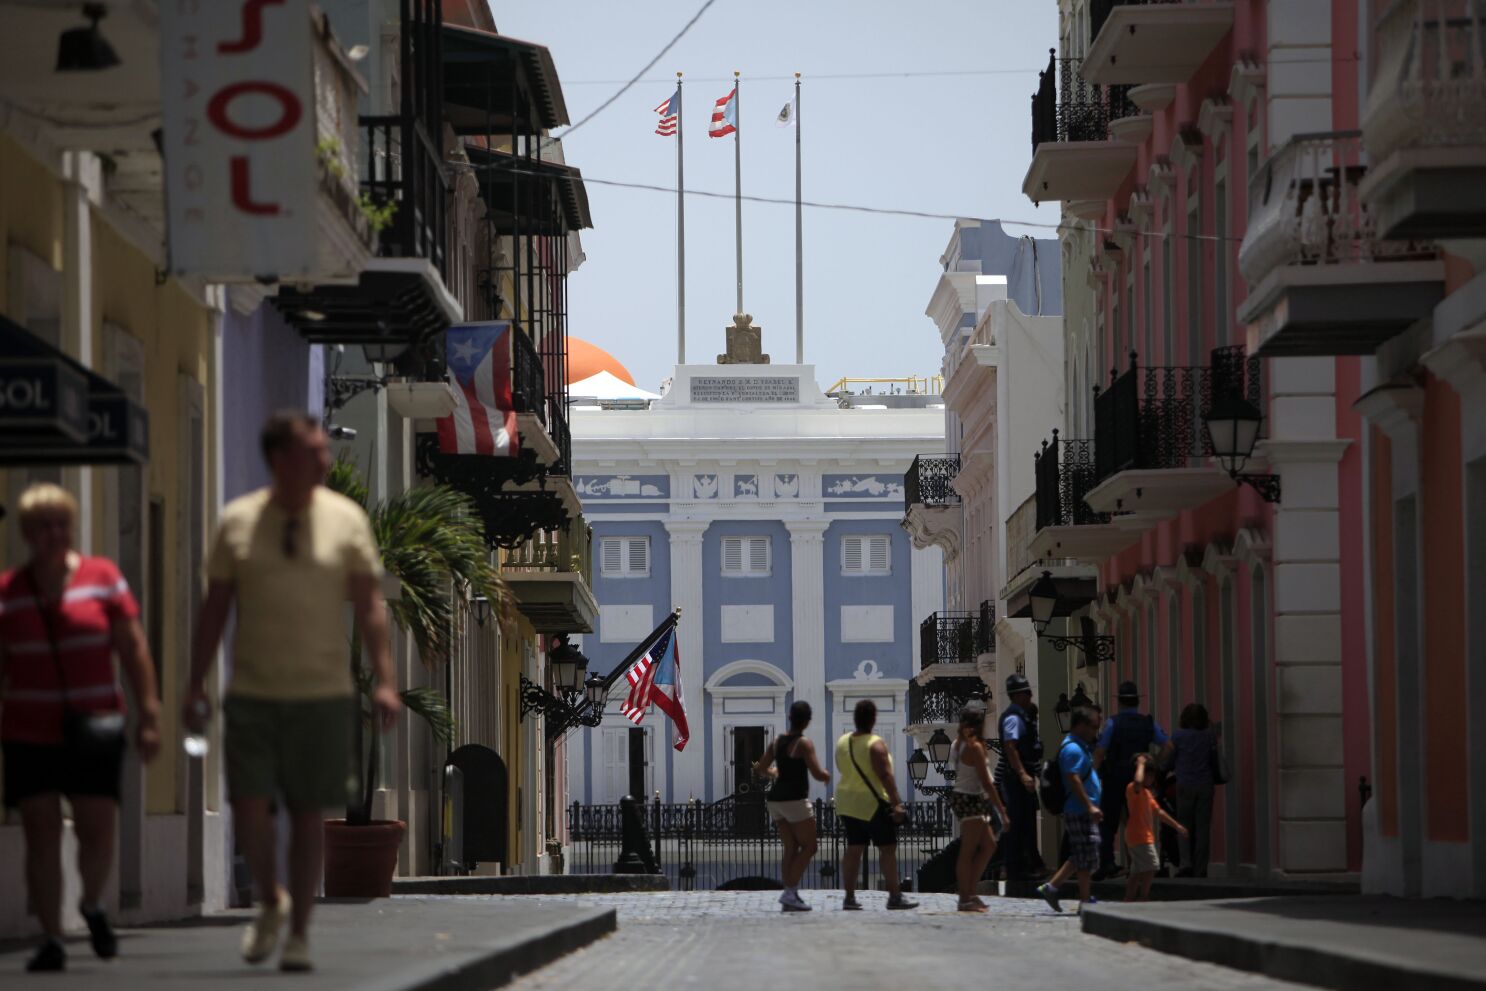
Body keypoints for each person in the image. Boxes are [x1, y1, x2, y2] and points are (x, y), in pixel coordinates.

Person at [183, 411, 401, 972]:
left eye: (325, 451)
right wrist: (193, 683)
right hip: (253, 690)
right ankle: (271, 896)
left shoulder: (346, 520)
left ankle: (299, 930)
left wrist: (385, 680)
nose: (326, 460)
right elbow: (215, 610)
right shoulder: (238, 522)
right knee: (248, 806)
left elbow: (371, 605)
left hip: (322, 694)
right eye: (314, 450)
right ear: (281, 459)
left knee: (308, 816)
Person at [0, 483, 161, 972]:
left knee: (97, 831)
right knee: (41, 832)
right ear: (25, 533)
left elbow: (133, 649)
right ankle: (51, 935)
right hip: (28, 730)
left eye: (60, 523)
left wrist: (149, 712)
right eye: (41, 526)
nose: (53, 534)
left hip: (93, 726)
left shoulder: (102, 578)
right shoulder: (9, 591)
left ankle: (90, 904)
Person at [835, 699, 917, 911]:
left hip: (847, 801)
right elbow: (885, 775)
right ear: (873, 719)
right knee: (888, 849)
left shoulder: (843, 742)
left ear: (855, 719)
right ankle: (894, 897)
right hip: (871, 803)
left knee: (854, 849)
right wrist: (897, 804)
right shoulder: (876, 744)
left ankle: (849, 898)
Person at [754, 700, 830, 912]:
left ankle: (791, 892)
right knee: (810, 846)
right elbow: (816, 772)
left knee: (791, 847)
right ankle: (789, 892)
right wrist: (826, 775)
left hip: (775, 801)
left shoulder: (777, 742)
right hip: (794, 800)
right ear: (807, 721)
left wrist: (775, 773)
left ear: (789, 718)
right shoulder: (804, 744)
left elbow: (760, 767)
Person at [1092, 681, 1171, 878]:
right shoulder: (1147, 723)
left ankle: (1107, 863)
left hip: (1115, 778)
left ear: (1119, 702)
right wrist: (1154, 766)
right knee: (1139, 822)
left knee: (1108, 823)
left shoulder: (1113, 723)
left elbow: (1100, 751)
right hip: (1139, 776)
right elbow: (1168, 746)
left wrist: (1093, 775)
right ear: (1137, 701)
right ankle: (1141, 864)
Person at [1036, 706, 1103, 913]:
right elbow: (1073, 779)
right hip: (1079, 809)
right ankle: (1083, 900)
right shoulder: (1072, 749)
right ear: (1081, 726)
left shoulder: (1080, 747)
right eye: (1093, 726)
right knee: (1085, 854)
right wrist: (1090, 805)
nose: (1095, 731)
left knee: (1081, 854)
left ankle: (1052, 888)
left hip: (1081, 809)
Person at [947, 705, 1009, 912]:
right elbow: (986, 782)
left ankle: (971, 893)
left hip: (964, 797)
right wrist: (1001, 810)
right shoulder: (974, 747)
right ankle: (965, 898)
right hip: (970, 798)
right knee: (968, 850)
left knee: (989, 844)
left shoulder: (958, 744)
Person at [994, 673, 1044, 883]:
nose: (1030, 696)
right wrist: (1023, 775)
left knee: (1027, 821)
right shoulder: (1013, 718)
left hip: (1022, 777)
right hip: (1015, 779)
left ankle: (1027, 865)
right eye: (1027, 693)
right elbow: (1011, 747)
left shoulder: (1023, 717)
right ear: (1017, 696)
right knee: (1018, 823)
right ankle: (1014, 868)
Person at [1123, 753, 1187, 901]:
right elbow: (1138, 782)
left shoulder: (1147, 793)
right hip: (1139, 837)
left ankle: (1128, 899)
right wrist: (1140, 763)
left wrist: (1177, 825)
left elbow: (1158, 812)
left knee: (1137, 871)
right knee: (1152, 865)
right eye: (1149, 775)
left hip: (1142, 836)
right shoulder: (1133, 788)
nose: (1152, 779)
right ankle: (1144, 897)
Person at [1171, 702, 1217, 877]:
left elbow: (1169, 759)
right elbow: (1213, 761)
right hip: (1205, 784)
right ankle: (1201, 868)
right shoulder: (1209, 736)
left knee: (1183, 825)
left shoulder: (1178, 736)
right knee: (1203, 828)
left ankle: (1185, 864)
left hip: (1184, 785)